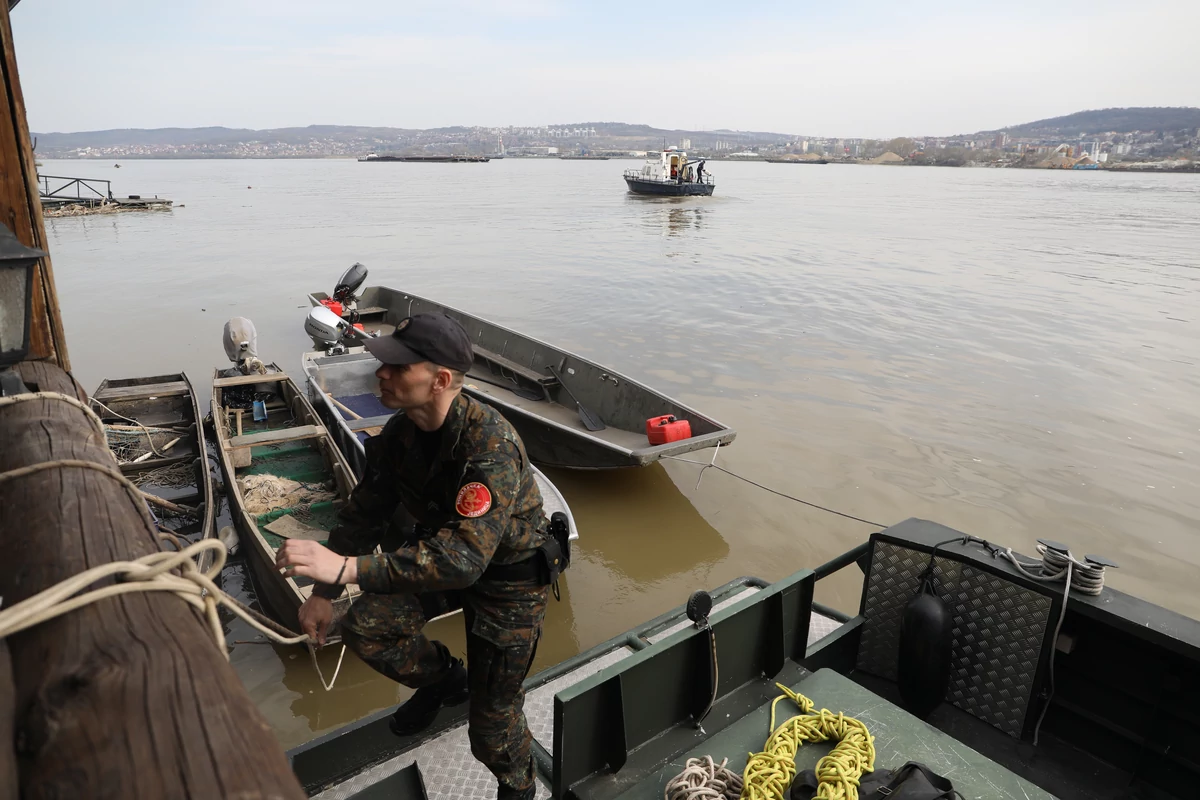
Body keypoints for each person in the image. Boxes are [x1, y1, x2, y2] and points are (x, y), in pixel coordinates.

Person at [276, 313, 551, 800]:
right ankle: (447, 681)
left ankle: (519, 786)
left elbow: (465, 560)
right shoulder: (400, 436)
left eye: (398, 368)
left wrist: (343, 568)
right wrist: (323, 594)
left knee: (491, 732)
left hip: (507, 579)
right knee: (366, 627)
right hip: (441, 559)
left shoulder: (489, 447)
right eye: (385, 365)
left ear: (440, 380)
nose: (380, 374)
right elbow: (365, 516)